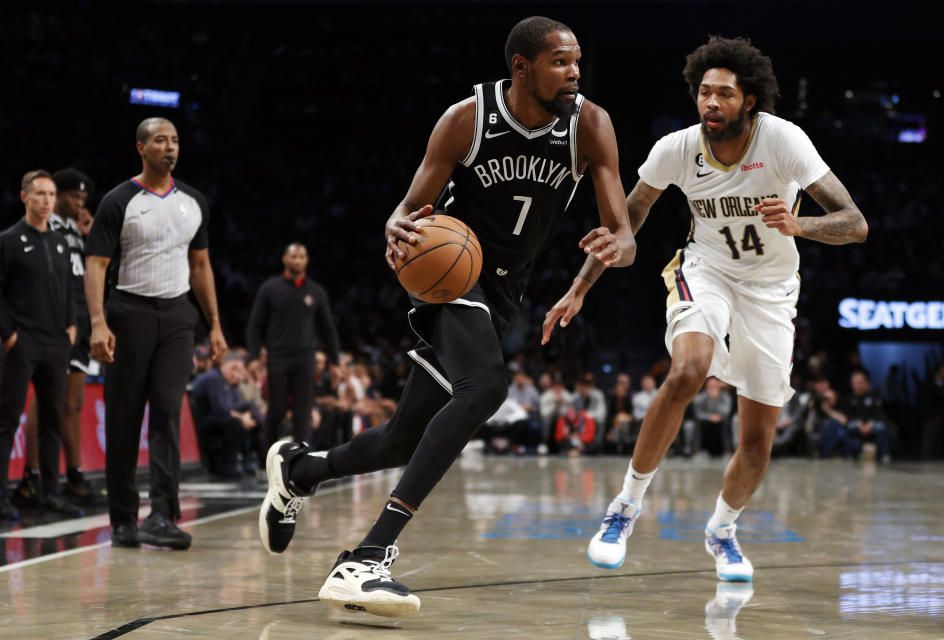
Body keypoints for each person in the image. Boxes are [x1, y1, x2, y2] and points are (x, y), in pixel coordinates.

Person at [257, 15, 635, 618]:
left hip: (506, 292)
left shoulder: (590, 125)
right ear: (522, 67)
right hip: (452, 274)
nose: (574, 73)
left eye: (577, 61)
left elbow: (624, 231)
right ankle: (366, 557)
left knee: (404, 438)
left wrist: (620, 248)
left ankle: (299, 469)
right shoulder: (467, 118)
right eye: (561, 61)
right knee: (485, 387)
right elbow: (408, 208)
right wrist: (394, 224)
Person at [543, 36, 868, 581]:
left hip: (771, 290)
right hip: (706, 271)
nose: (710, 103)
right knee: (688, 369)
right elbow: (629, 219)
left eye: (723, 94)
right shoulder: (677, 148)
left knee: (759, 443)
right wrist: (581, 286)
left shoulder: (785, 141)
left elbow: (855, 223)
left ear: (750, 102)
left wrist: (800, 224)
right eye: (703, 92)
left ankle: (722, 529)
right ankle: (624, 507)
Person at [85, 117, 227, 549]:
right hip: (129, 311)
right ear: (141, 148)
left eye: (176, 141)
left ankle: (163, 516)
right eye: (161, 140)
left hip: (178, 317)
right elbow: (96, 265)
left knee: (167, 411)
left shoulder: (193, 202)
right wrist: (97, 321)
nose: (171, 147)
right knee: (125, 418)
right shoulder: (118, 200)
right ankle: (123, 520)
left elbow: (201, 266)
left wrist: (215, 325)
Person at [16, 168, 101, 510]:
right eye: (73, 197)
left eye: (83, 198)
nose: (79, 203)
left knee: (72, 405)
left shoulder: (82, 232)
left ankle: (75, 476)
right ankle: (31, 476)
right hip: (55, 323)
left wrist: (91, 235)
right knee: (46, 402)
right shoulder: (46, 225)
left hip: (81, 322)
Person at [0, 170, 78, 520]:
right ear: (24, 198)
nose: (47, 200)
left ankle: (50, 492)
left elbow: (68, 290)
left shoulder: (60, 242)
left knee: (51, 421)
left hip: (55, 343)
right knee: (7, 421)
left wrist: (72, 326)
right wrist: (9, 335)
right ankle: (2, 497)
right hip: (23, 343)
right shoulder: (9, 240)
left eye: (50, 194)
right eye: (39, 194)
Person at [246, 243, 340, 450]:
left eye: (301, 256)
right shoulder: (269, 289)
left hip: (306, 358)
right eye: (293, 256)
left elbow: (328, 330)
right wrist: (252, 357)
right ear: (284, 259)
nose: (297, 260)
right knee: (276, 411)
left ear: (307, 260)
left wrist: (335, 362)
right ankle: (267, 457)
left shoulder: (316, 292)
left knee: (303, 413)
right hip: (277, 357)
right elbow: (255, 325)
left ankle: (300, 459)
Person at [190, 353, 262, 477]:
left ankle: (251, 459)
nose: (236, 373)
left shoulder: (224, 380)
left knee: (249, 409)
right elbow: (219, 409)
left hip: (215, 416)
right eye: (233, 368)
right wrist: (241, 418)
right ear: (223, 364)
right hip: (201, 422)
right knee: (235, 422)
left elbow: (229, 407)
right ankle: (228, 465)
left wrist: (244, 417)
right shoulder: (213, 378)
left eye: (238, 369)